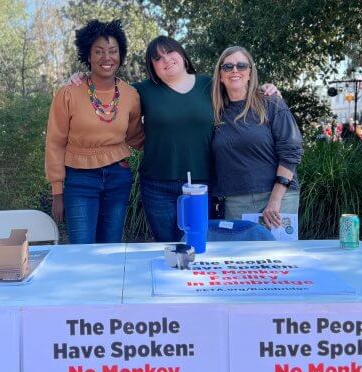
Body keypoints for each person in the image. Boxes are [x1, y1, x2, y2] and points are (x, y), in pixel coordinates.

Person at [69, 35, 278, 242]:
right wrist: (81, 79)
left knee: (198, 245)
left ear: (183, 56)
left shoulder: (210, 85)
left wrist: (265, 88)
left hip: (200, 186)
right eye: (157, 58)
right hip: (156, 186)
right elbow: (107, 90)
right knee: (169, 248)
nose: (165, 59)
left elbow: (240, 88)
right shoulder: (142, 91)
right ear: (153, 68)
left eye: (170, 52)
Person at [44, 20, 143, 244]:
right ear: (87, 55)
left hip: (118, 177)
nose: (106, 58)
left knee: (111, 248)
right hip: (79, 179)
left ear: (121, 55)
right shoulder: (68, 93)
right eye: (98, 51)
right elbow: (55, 142)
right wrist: (57, 190)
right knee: (81, 250)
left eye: (113, 51)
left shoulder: (130, 95)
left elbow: (136, 136)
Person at [211, 46, 302, 229]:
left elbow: (291, 151)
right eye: (227, 67)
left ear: (250, 73)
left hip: (279, 197)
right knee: (239, 257)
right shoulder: (214, 111)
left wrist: (275, 200)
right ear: (220, 75)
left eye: (242, 65)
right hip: (235, 201)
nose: (235, 70)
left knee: (278, 256)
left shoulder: (271, 103)